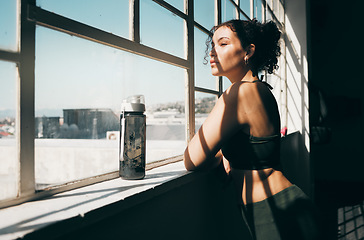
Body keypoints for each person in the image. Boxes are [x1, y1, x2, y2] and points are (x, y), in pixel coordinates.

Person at [183, 19, 322, 240]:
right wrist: (226, 155)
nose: (213, 51)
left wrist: (220, 157)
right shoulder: (261, 90)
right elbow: (248, 146)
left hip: (279, 214)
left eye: (223, 43)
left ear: (248, 51)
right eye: (212, 45)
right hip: (283, 207)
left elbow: (192, 159)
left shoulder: (240, 93)